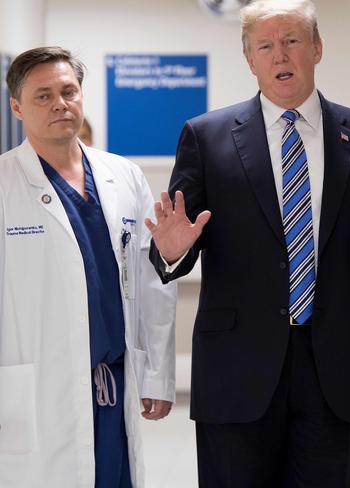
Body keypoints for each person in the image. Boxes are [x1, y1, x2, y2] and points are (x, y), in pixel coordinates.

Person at [145, 1, 350, 486]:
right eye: (265, 46)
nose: (280, 56)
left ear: (316, 48)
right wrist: (171, 250)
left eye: (292, 41)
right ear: (249, 59)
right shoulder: (205, 137)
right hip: (237, 366)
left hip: (334, 366)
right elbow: (174, 253)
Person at [0, 47, 177, 488]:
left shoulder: (125, 176)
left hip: (113, 382)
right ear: (17, 107)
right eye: (43, 96)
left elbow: (151, 280)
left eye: (68, 91)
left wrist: (157, 373)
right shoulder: (4, 183)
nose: (60, 103)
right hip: (37, 385)